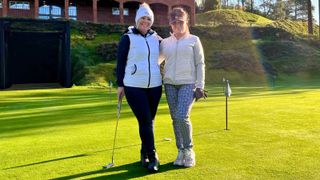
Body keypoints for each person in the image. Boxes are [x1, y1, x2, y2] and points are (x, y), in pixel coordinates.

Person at [116, 3, 162, 172]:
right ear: (137, 19)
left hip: (155, 86)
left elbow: (165, 54)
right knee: (145, 121)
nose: (146, 21)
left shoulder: (156, 38)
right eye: (143, 17)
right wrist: (120, 85)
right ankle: (153, 155)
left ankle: (144, 152)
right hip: (134, 86)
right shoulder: (127, 38)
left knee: (149, 122)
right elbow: (120, 63)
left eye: (149, 18)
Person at [160, 7, 206, 168]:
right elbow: (155, 61)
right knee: (175, 119)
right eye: (174, 22)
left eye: (180, 21)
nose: (177, 24)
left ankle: (189, 150)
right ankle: (180, 150)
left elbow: (200, 63)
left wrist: (200, 85)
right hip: (170, 84)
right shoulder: (165, 43)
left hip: (188, 83)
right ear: (170, 24)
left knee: (181, 116)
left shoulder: (194, 40)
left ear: (186, 22)